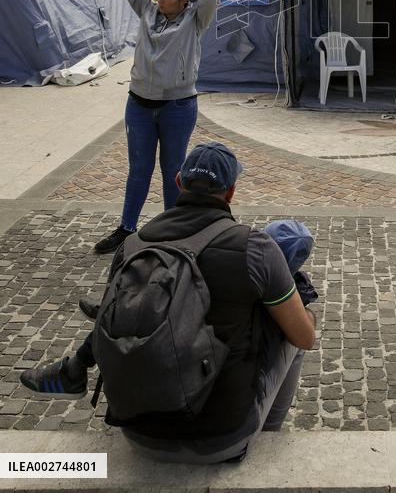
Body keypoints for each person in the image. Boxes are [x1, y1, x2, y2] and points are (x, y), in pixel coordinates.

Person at [20, 142, 317, 465]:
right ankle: (267, 439)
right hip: (222, 440)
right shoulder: (255, 247)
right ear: (231, 192)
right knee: (297, 329)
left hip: (138, 433)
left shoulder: (132, 246)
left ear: (178, 182)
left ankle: (72, 370)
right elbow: (304, 337)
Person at [94, 0, 218, 255]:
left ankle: (171, 231)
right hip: (139, 103)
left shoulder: (194, 19)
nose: (159, 0)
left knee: (173, 170)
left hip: (178, 105)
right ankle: (126, 228)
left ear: (184, 1)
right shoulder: (148, 10)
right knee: (139, 169)